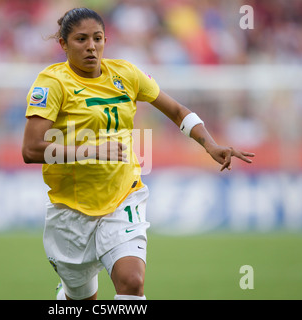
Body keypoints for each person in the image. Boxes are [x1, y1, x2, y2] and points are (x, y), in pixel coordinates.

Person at [21, 7, 255, 300]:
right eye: (81, 39)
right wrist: (91, 151)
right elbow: (30, 150)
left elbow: (178, 111)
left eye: (98, 38)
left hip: (123, 198)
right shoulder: (52, 83)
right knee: (79, 298)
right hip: (71, 213)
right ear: (64, 44)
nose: (91, 46)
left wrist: (210, 144)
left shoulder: (126, 74)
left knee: (132, 283)